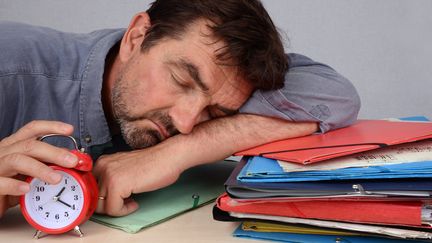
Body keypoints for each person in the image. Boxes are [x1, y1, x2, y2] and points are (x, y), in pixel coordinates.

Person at [0, 0, 360, 218]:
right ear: (137, 36)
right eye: (182, 80)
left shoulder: (214, 94)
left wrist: (177, 153)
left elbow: (335, 95)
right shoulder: (9, 65)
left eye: (215, 112)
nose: (187, 123)